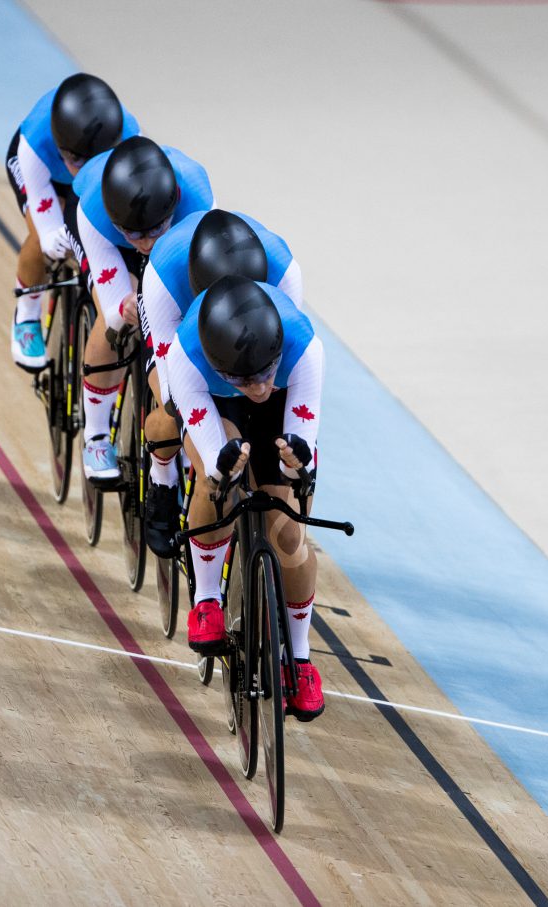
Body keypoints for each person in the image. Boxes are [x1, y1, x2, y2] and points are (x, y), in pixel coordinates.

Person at [161, 276, 327, 720]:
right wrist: (222, 470)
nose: (257, 387)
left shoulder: (304, 349)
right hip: (218, 404)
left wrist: (297, 466)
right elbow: (214, 459)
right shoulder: (186, 356)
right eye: (245, 379)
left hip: (285, 402)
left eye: (265, 373)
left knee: (289, 530)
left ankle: (300, 657)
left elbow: (300, 463)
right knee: (218, 485)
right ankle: (208, 599)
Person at [136, 209, 304, 555]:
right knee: (174, 412)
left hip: (247, 346)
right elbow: (176, 390)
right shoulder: (164, 277)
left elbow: (281, 353)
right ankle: (162, 476)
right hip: (185, 331)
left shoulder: (283, 272)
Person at [70, 136, 212, 483]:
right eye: (137, 235)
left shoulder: (197, 197)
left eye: (154, 230)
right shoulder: (96, 213)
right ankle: (97, 435)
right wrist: (126, 303)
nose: (147, 242)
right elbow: (119, 300)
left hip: (177, 239)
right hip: (106, 241)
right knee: (116, 320)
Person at [5, 73, 139, 370]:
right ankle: (27, 315)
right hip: (44, 176)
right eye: (77, 160)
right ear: (61, 146)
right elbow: (46, 216)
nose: (83, 169)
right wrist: (54, 232)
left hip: (94, 182)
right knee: (43, 239)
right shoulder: (36, 139)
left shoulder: (128, 134)